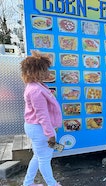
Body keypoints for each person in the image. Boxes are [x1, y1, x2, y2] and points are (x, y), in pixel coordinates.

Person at [21, 51, 62, 186]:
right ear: (37, 72)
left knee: (37, 156)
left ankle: (28, 183)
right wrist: (50, 134)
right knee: (44, 159)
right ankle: (52, 184)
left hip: (36, 127)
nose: (48, 73)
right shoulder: (36, 90)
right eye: (45, 70)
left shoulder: (35, 86)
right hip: (39, 128)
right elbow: (42, 115)